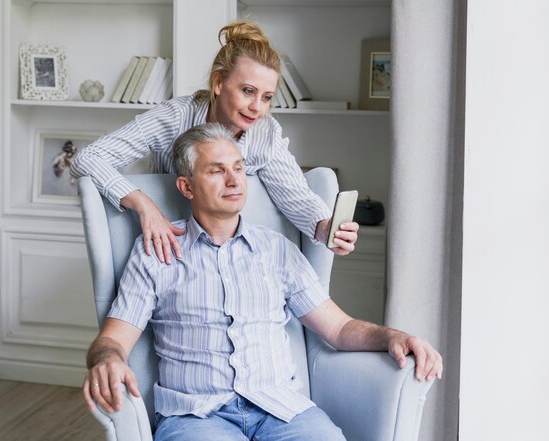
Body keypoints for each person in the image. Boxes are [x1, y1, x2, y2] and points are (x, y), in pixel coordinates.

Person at [83, 123, 443, 441]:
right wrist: (107, 361)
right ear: (186, 186)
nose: (234, 180)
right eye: (216, 170)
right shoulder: (156, 253)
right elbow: (112, 340)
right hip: (198, 418)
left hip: (282, 411)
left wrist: (394, 337)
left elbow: (339, 329)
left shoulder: (277, 250)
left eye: (238, 168)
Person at [70, 20, 359, 265]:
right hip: (167, 248)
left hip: (232, 254)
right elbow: (87, 159)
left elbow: (294, 194)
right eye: (248, 91)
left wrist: (325, 229)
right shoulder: (175, 116)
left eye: (267, 97)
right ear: (219, 83)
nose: (257, 107)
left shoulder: (265, 132)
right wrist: (144, 203)